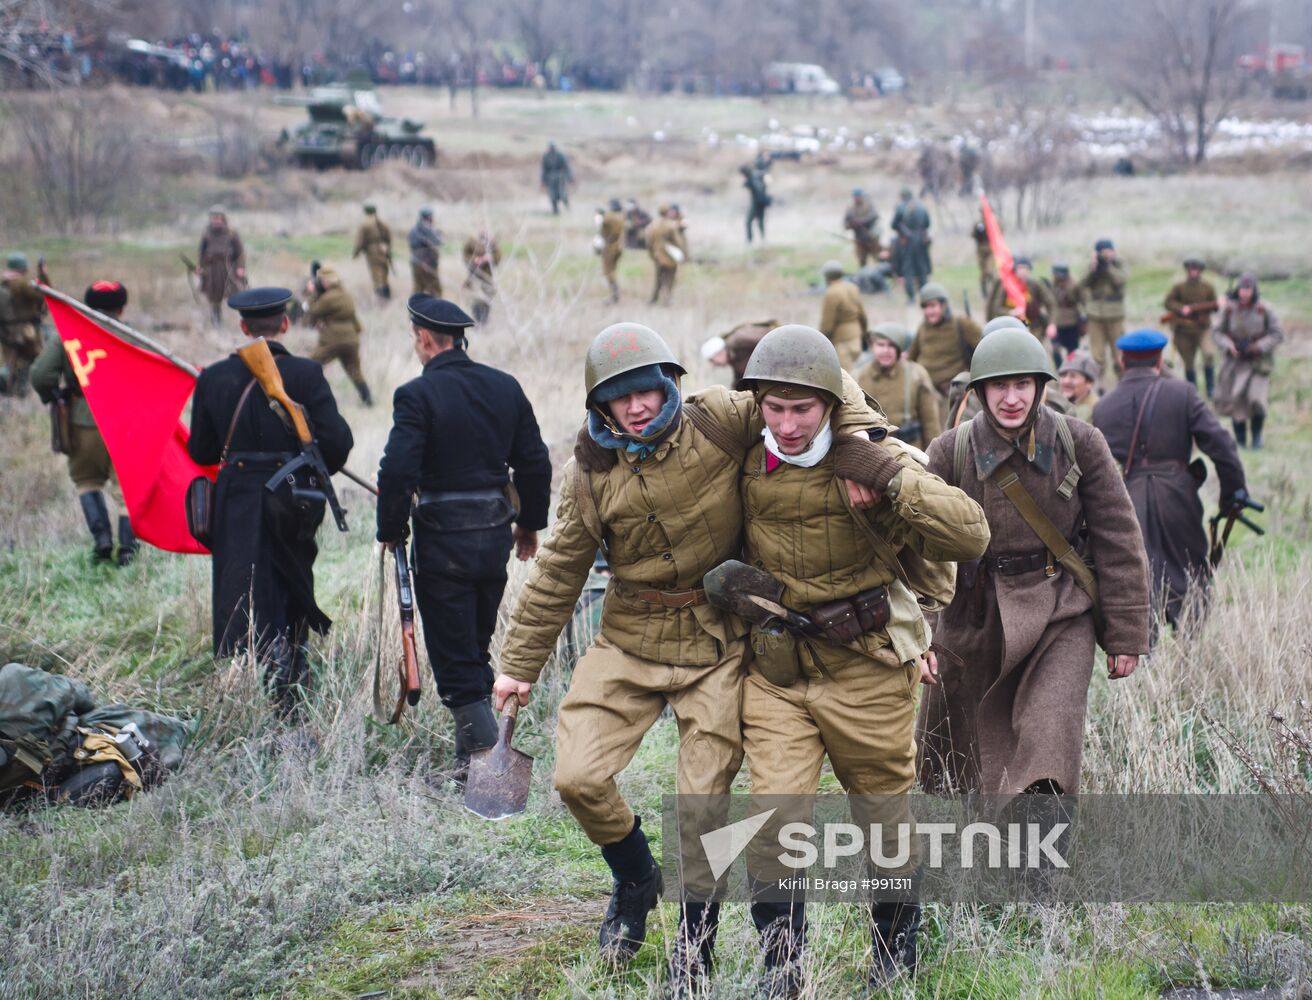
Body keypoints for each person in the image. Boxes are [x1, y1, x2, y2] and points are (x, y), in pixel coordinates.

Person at [492, 323, 881, 988]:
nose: (638, 406)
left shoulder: (721, 419)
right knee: (577, 778)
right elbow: (558, 572)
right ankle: (636, 877)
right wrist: (517, 666)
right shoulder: (590, 474)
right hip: (629, 639)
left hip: (717, 640)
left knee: (700, 801)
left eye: (647, 389)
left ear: (670, 382)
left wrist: (861, 447)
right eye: (621, 398)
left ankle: (692, 947)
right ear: (601, 406)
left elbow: (816, 383)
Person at [736, 325, 989, 997]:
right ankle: (782, 965)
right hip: (780, 669)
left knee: (882, 813)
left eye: (803, 409)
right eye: (774, 408)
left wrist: (886, 478)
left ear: (829, 403)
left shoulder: (876, 455)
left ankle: (895, 944)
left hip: (869, 665)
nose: (787, 425)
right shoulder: (740, 451)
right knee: (774, 812)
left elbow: (970, 532)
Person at [917, 328, 1151, 800]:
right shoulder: (948, 451)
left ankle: (1040, 864)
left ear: (1040, 387)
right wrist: (920, 634)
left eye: (1022, 384)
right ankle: (995, 842)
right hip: (972, 615)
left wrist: (1126, 633)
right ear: (979, 392)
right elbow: (918, 553)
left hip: (1059, 610)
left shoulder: (1080, 442)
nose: (1011, 398)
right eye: (999, 386)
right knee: (965, 759)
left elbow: (1119, 538)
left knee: (1050, 736)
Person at [375, 295, 551, 778]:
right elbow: (534, 461)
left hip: (441, 542)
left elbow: (396, 472)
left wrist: (391, 529)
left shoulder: (416, 395)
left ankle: (489, 767)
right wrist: (529, 523)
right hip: (493, 537)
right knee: (472, 645)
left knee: (454, 656)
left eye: (416, 338)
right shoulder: (504, 386)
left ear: (426, 339)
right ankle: (467, 760)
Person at [187, 288, 353, 718]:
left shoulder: (214, 378)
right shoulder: (307, 374)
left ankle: (268, 677)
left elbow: (203, 452)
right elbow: (336, 445)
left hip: (238, 497)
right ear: (284, 324)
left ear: (243, 327)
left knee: (245, 586)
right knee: (292, 581)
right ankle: (291, 678)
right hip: (294, 499)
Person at [1093, 329, 1248, 630]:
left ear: (1122, 362)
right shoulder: (1183, 393)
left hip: (1128, 496)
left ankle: (1144, 648)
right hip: (1178, 493)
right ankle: (1190, 642)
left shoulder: (1103, 407)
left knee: (1138, 572)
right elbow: (1222, 446)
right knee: (1189, 568)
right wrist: (1231, 495)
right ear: (1160, 359)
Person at [29, 281, 135, 564]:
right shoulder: (132, 335)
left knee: (87, 481)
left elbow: (40, 374)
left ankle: (102, 540)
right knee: (126, 488)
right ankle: (127, 550)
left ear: (86, 306)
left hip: (81, 420)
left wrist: (55, 394)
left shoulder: (66, 334)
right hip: (123, 420)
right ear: (122, 308)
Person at [1213, 274, 1283, 449]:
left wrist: (1259, 346)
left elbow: (1277, 333)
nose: (1245, 293)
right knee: (1236, 400)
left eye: (1248, 290)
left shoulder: (1264, 309)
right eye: (1242, 289)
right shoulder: (1229, 309)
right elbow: (1216, 332)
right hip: (1235, 362)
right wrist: (1229, 346)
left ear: (1254, 290)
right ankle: (1241, 441)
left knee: (1257, 400)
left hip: (1258, 362)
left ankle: (1257, 438)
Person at [855, 322, 942, 449]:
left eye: (891, 346)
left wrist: (933, 458)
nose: (885, 350)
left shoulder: (916, 375)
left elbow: (930, 424)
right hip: (873, 452)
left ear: (899, 349)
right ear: (871, 347)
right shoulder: (859, 377)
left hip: (909, 452)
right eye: (880, 345)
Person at [304, 265, 372, 406]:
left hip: (333, 339)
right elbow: (354, 318)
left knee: (310, 366)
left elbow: (313, 311)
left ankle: (307, 399)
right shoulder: (346, 295)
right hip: (351, 339)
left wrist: (312, 293)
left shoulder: (328, 298)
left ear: (326, 282)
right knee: (355, 372)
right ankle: (368, 401)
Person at [908, 281, 981, 400]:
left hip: (952, 393)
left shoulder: (961, 324)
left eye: (932, 306)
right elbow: (911, 357)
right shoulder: (923, 328)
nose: (928, 311)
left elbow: (984, 348)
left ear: (944, 305)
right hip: (925, 390)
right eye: (925, 307)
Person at [1164, 255, 1220, 398]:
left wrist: (1205, 309)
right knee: (1188, 362)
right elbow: (1168, 302)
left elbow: (1215, 306)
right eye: (1191, 269)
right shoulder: (1179, 287)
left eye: (1196, 269)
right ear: (1187, 270)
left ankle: (1210, 388)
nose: (1194, 272)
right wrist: (1182, 309)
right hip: (1184, 330)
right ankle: (1192, 391)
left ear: (1201, 271)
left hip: (1203, 329)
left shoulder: (1208, 287)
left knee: (1209, 354)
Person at [1079, 238, 1127, 387]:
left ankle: (1123, 382)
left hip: (1114, 315)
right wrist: (1093, 269)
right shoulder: (1094, 266)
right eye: (1103, 252)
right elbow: (1082, 284)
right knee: (1097, 354)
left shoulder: (1119, 264)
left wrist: (1107, 266)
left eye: (1109, 251)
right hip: (1096, 315)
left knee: (1119, 352)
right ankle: (1099, 386)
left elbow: (1120, 280)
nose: (1106, 255)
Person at [986, 257, 1057, 348]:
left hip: (1033, 324)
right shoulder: (1008, 286)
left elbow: (1051, 304)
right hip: (1012, 325)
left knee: (1033, 348)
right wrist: (1011, 312)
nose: (1022, 271)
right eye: (1020, 268)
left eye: (1025, 268)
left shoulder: (1036, 284)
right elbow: (996, 307)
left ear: (1029, 270)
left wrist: (1052, 324)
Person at [0, 252, 45, 396]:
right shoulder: (21, 284)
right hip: (24, 331)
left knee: (12, 363)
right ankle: (20, 391)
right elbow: (41, 296)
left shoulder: (5, 284)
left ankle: (11, 391)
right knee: (31, 360)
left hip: (7, 332)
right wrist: (43, 275)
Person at [197, 207, 247, 327]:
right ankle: (216, 321)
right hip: (212, 269)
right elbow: (201, 251)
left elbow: (240, 251)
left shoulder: (231, 232)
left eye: (218, 218)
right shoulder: (207, 233)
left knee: (238, 293)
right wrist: (200, 266)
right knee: (214, 297)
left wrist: (241, 267)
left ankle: (245, 320)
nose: (216, 220)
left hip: (228, 268)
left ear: (223, 219)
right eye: (214, 218)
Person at [817, 260, 867, 371]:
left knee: (845, 376)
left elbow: (827, 323)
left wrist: (820, 341)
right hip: (856, 335)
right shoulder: (853, 288)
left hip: (842, 339)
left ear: (827, 276)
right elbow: (862, 314)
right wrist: (864, 333)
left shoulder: (831, 293)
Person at [702, 318, 776, 387]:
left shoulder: (739, 339)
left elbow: (772, 338)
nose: (713, 365)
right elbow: (739, 381)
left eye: (712, 360)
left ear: (718, 352)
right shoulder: (733, 357)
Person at [890, 187, 932, 305]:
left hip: (907, 241)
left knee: (908, 269)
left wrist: (904, 231)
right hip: (921, 240)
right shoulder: (922, 206)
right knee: (922, 268)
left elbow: (893, 225)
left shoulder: (900, 206)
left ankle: (911, 298)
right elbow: (927, 224)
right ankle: (926, 296)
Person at [645, 206, 687, 306]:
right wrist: (682, 253)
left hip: (657, 256)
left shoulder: (652, 225)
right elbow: (678, 241)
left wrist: (652, 253)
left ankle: (654, 299)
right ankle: (666, 299)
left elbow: (648, 241)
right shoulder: (671, 225)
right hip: (669, 257)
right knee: (670, 279)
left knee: (658, 278)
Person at [353, 203, 393, 300]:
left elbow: (360, 241)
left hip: (372, 252)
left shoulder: (364, 223)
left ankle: (380, 297)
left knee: (376, 273)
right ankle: (387, 294)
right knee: (384, 272)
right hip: (384, 249)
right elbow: (389, 238)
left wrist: (356, 253)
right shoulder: (383, 222)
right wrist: (387, 249)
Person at [461, 229, 502, 324]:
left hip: (487, 277)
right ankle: (476, 321)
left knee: (487, 299)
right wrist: (475, 260)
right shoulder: (471, 242)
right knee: (476, 300)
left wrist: (488, 258)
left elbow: (498, 257)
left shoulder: (492, 243)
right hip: (475, 276)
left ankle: (484, 321)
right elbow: (465, 256)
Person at [1049, 263, 1086, 366]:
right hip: (1056, 322)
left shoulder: (1073, 285)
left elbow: (1081, 299)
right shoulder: (1051, 286)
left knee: (1073, 350)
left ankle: (1072, 369)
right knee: (1056, 349)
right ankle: (1061, 370)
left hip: (1072, 322)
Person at [408, 207, 443, 297]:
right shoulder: (427, 228)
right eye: (432, 216)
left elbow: (411, 243)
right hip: (426, 263)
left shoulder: (414, 229)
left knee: (418, 288)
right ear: (429, 217)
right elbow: (438, 241)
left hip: (415, 261)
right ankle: (438, 309)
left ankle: (414, 309)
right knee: (435, 289)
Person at [842, 188, 881, 268]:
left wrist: (862, 221)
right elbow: (845, 223)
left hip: (871, 238)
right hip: (859, 239)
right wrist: (851, 225)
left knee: (877, 259)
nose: (856, 198)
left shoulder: (869, 204)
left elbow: (874, 216)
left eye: (858, 196)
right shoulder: (850, 207)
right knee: (861, 261)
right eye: (855, 197)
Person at [1057, 350, 1100, 422]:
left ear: (1089, 383)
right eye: (1063, 375)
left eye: (1073, 376)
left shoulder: (1096, 411)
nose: (1066, 381)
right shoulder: (1055, 404)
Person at [599, 198, 625, 303]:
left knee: (608, 271)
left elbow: (602, 227)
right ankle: (615, 295)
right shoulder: (622, 216)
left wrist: (600, 214)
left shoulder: (609, 217)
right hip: (619, 246)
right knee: (612, 270)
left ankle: (614, 295)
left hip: (610, 246)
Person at [541, 141, 574, 214]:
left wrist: (570, 178)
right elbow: (543, 169)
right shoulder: (546, 157)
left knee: (562, 194)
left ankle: (567, 207)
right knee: (552, 196)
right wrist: (543, 180)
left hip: (560, 179)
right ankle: (555, 210)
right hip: (550, 180)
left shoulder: (560, 156)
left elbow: (566, 167)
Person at [742, 163, 771, 243]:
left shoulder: (752, 178)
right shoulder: (759, 175)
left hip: (757, 203)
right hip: (762, 202)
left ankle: (751, 240)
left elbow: (746, 185)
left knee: (749, 221)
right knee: (760, 222)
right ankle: (762, 239)